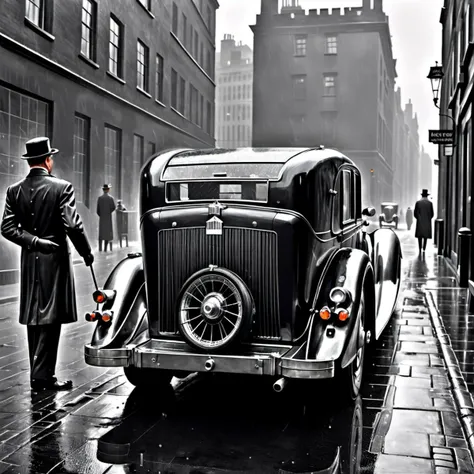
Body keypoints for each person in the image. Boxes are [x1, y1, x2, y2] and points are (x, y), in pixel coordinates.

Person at [0, 136, 94, 392]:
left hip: (30, 261)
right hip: (54, 259)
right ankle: (42, 378)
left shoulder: (14, 190)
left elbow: (7, 228)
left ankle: (39, 373)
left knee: (34, 317)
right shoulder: (62, 188)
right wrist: (86, 252)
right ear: (47, 160)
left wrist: (34, 242)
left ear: (30, 161)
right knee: (50, 320)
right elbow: (73, 225)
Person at [414, 189, 434, 253]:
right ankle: (424, 248)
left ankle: (419, 248)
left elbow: (415, 213)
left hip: (420, 221)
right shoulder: (430, 203)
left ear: (422, 195)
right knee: (425, 236)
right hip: (427, 222)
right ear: (427, 196)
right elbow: (432, 214)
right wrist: (428, 218)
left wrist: (418, 218)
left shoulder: (418, 203)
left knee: (420, 236)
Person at [97, 184, 116, 251]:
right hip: (108, 218)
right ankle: (105, 249)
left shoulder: (100, 198)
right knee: (107, 234)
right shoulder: (111, 198)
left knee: (101, 233)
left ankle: (100, 248)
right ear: (108, 190)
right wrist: (108, 212)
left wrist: (101, 215)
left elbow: (97, 210)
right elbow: (113, 207)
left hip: (102, 218)